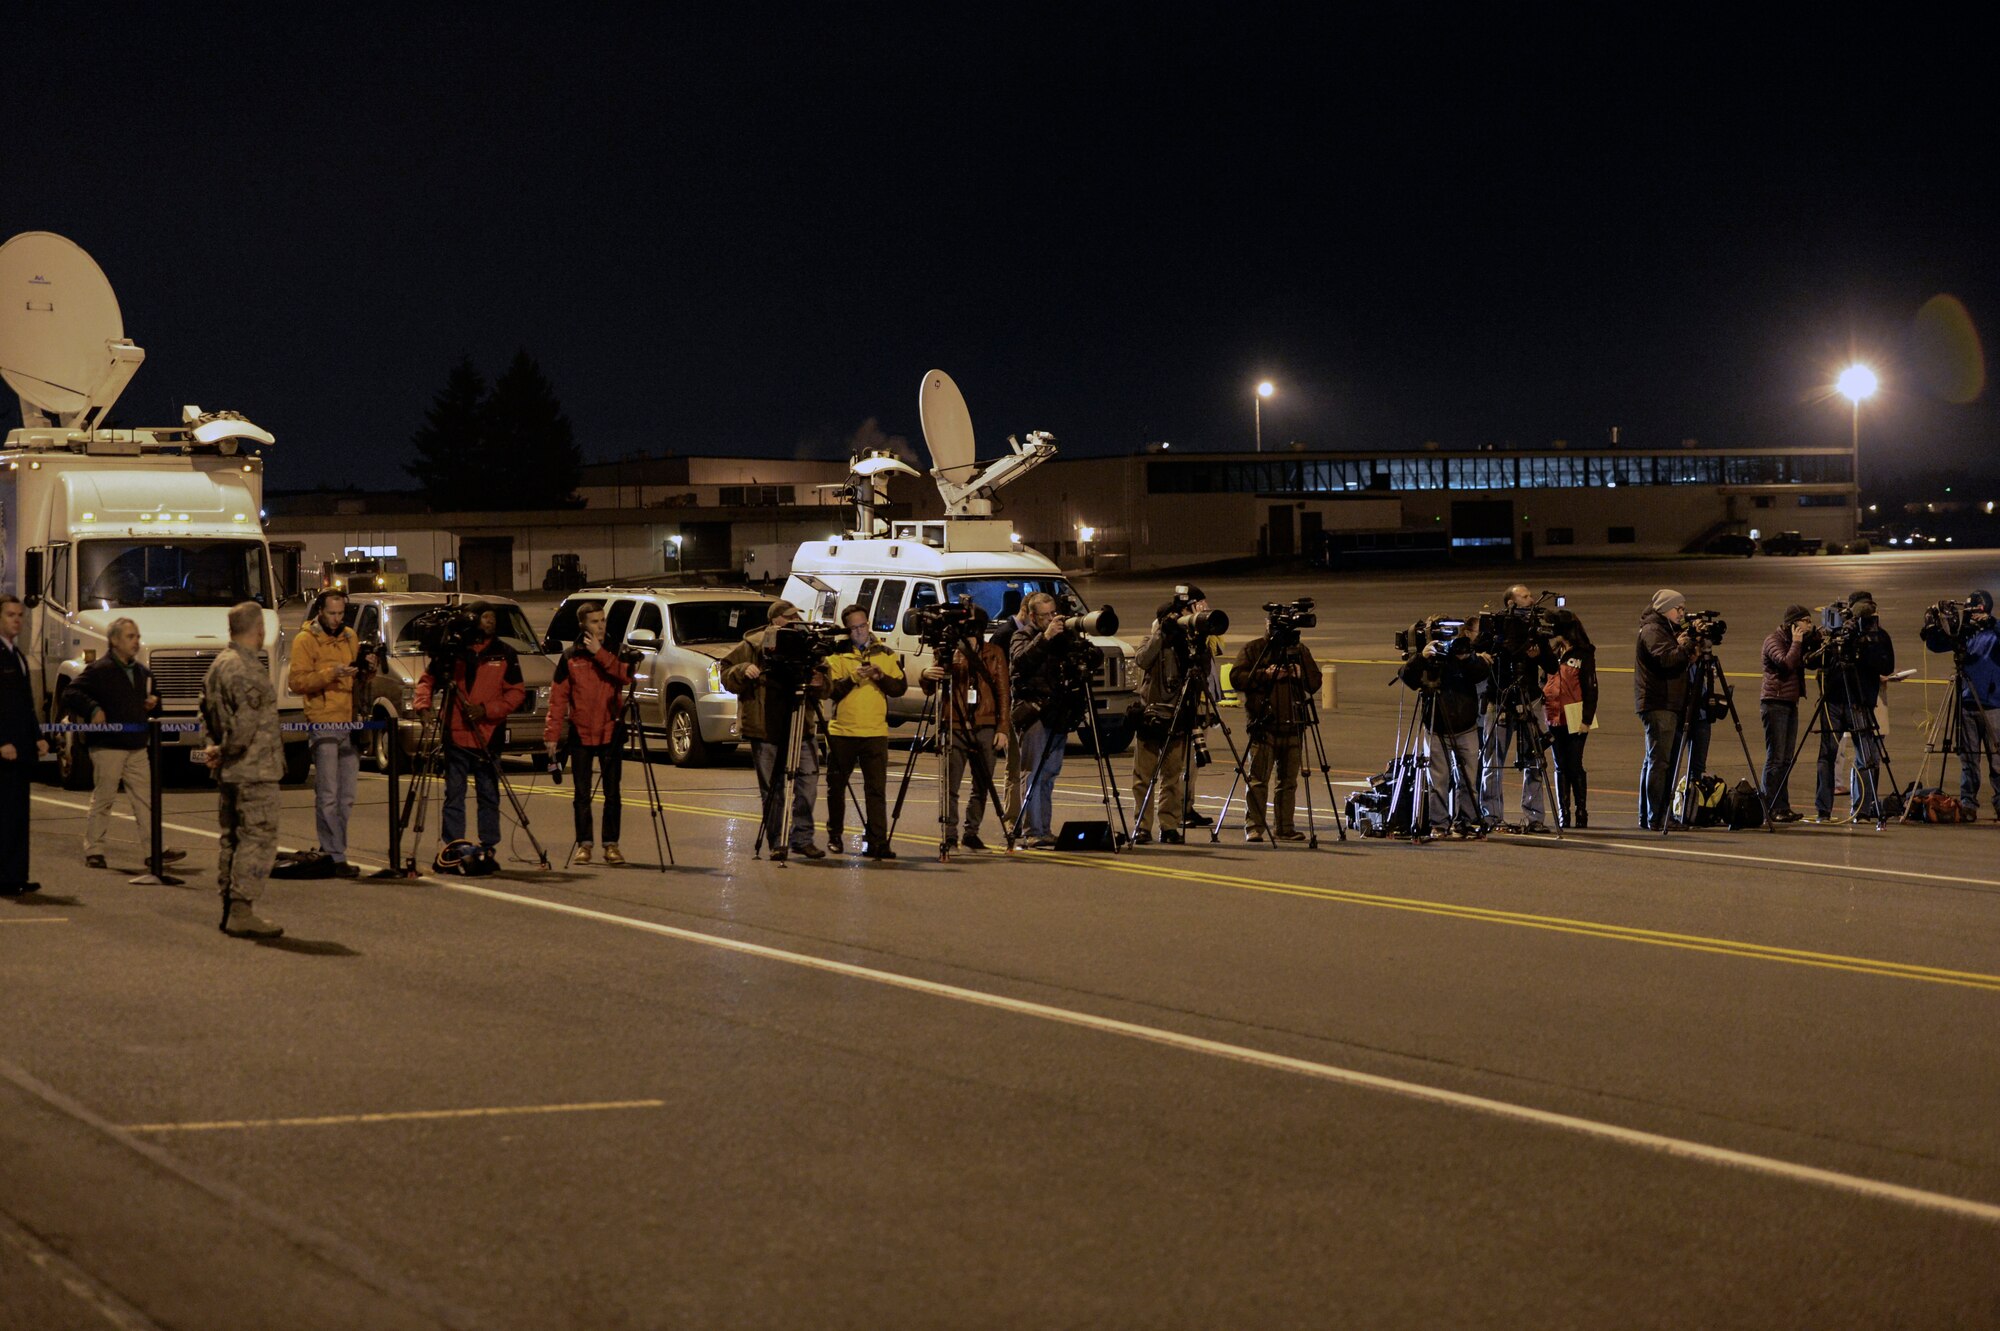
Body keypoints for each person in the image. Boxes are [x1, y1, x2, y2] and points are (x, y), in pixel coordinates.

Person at [413, 602, 525, 865]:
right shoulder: (454, 653)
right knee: (454, 794)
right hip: (455, 734)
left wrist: (486, 710)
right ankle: (454, 844)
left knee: (489, 793)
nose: (491, 621)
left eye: (493, 617)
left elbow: (516, 693)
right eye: (486, 616)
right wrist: (423, 707)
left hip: (488, 733)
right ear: (473, 620)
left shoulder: (505, 653)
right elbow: (427, 681)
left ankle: (489, 845)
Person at [69, 616, 185, 869]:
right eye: (130, 637)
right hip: (108, 745)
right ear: (114, 641)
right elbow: (72, 692)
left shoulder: (143, 673)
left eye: (137, 637)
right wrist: (94, 709)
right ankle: (95, 851)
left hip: (136, 745)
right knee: (104, 799)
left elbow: (157, 705)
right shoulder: (100, 670)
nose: (136, 642)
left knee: (146, 800)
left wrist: (154, 704)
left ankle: (154, 850)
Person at [197, 602, 284, 937]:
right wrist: (226, 749)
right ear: (258, 629)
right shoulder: (246, 668)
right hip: (254, 770)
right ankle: (242, 909)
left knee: (232, 839)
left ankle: (229, 904)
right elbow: (246, 726)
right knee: (258, 838)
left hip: (232, 771)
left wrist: (212, 746)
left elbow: (203, 709)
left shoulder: (218, 665)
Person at [721, 599, 828, 861]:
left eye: (796, 617)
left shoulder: (806, 644)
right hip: (767, 727)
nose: (794, 621)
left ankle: (802, 838)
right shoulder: (754, 644)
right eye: (789, 617)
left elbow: (826, 684)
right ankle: (777, 842)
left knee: (808, 785)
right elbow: (725, 673)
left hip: (800, 725)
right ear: (774, 620)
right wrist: (743, 669)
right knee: (774, 790)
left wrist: (820, 680)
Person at [544, 600, 635, 864]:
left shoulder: (616, 650)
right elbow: (558, 698)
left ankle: (611, 844)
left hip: (611, 731)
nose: (601, 625)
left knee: (612, 793)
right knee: (581, 794)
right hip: (581, 733)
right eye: (595, 621)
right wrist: (551, 735)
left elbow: (626, 676)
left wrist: (600, 654)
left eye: (603, 620)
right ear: (583, 624)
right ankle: (584, 843)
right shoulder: (570, 657)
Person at [286, 590, 363, 875]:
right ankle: (334, 853)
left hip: (349, 721)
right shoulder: (305, 640)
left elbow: (356, 677)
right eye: (332, 613)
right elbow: (297, 681)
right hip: (323, 721)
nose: (337, 619)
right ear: (320, 611)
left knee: (347, 795)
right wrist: (332, 673)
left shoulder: (349, 636)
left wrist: (363, 670)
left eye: (341, 613)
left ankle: (337, 850)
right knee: (328, 792)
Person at [823, 603, 907, 859]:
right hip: (843, 732)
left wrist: (880, 676)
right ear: (847, 630)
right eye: (854, 628)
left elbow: (898, 689)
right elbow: (832, 691)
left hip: (875, 732)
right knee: (836, 786)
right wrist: (855, 678)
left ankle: (877, 840)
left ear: (868, 624)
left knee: (876, 789)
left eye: (863, 625)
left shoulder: (884, 652)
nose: (860, 631)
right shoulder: (837, 655)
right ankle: (835, 834)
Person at [921, 622, 1010, 851]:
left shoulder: (994, 652)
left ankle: (972, 832)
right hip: (955, 724)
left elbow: (1003, 691)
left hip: (986, 724)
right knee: (951, 784)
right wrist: (926, 675)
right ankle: (950, 835)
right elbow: (930, 688)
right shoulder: (947, 652)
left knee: (982, 784)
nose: (967, 638)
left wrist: (1002, 728)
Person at [1399, 621, 1491, 837]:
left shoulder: (1466, 655)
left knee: (1468, 780)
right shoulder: (1429, 658)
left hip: (1465, 725)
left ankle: (1465, 823)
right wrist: (1422, 657)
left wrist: (1466, 658)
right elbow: (1407, 677)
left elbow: (1481, 673)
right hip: (1436, 726)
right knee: (1438, 780)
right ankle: (1439, 824)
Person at [1231, 628, 1323, 842]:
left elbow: (1315, 682)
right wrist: (1266, 674)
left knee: (1288, 781)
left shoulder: (1299, 651)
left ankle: (1284, 827)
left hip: (1293, 724)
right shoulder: (1254, 649)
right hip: (1264, 725)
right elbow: (1237, 679)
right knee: (1258, 780)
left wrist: (1300, 673)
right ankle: (1254, 826)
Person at [1810, 594, 1895, 822]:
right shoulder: (1836, 635)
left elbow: (1887, 665)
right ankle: (1823, 810)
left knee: (1866, 757)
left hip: (1859, 701)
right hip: (1834, 701)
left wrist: (1864, 646)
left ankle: (1863, 810)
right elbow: (1812, 661)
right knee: (1828, 755)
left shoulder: (1877, 637)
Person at [1479, 583, 1552, 833]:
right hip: (1498, 699)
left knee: (1534, 759)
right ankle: (1491, 815)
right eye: (1525, 596)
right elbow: (1482, 651)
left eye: (1531, 595)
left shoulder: (1535, 629)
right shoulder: (1495, 628)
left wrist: (1539, 653)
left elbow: (1552, 666)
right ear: (1510, 603)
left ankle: (1535, 818)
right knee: (1492, 760)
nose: (1531, 600)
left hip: (1528, 697)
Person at [1921, 589, 2000, 819]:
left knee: (1997, 760)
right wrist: (1932, 623)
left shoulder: (1994, 632)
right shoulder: (1966, 633)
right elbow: (1936, 645)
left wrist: (1991, 622)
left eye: (1975, 610)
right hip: (1967, 703)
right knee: (1969, 759)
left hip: (1994, 705)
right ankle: (1968, 804)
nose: (1972, 615)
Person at [1635, 589, 1708, 831]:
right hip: (1659, 703)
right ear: (1665, 608)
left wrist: (1689, 644)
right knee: (1661, 762)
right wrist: (1687, 645)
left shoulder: (1665, 630)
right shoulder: (1653, 631)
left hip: (1668, 702)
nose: (1682, 613)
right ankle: (1658, 817)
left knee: (1656, 761)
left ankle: (1651, 816)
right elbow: (1666, 659)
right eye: (1679, 609)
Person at [1010, 592, 1075, 849]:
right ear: (1033, 616)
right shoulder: (1022, 636)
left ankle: (1044, 829)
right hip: (1033, 711)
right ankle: (1031, 830)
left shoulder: (1061, 638)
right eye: (1046, 615)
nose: (1051, 619)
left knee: (1049, 773)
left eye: (1053, 614)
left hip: (1057, 711)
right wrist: (1045, 638)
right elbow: (1019, 663)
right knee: (1032, 772)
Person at [1, 593, 50, 896]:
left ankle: (17, 874)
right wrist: (1, 741)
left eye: (20, 615)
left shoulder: (16, 654)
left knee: (18, 815)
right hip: (5, 750)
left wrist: (38, 736)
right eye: (10, 615)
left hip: (21, 748)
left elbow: (26, 705)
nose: (17, 620)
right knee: (5, 816)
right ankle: (4, 876)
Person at [1541, 610, 1598, 828]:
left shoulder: (1584, 654)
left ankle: (1581, 811)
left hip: (1575, 713)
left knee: (1574, 764)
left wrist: (1586, 719)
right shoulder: (1553, 652)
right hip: (1553, 713)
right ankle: (1564, 813)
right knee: (1560, 765)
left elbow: (1591, 688)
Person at [1758, 604, 1812, 823]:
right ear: (1793, 624)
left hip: (1790, 703)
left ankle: (1782, 805)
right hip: (1774, 704)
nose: (1809, 625)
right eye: (1806, 621)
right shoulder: (1774, 640)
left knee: (1787, 759)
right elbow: (1786, 663)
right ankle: (1769, 806)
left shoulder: (1793, 642)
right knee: (1776, 757)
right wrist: (1798, 643)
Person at [989, 592, 1031, 829]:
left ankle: (1026, 816)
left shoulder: (1028, 634)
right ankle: (1012, 816)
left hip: (1027, 706)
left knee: (1027, 766)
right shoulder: (1004, 635)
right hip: (1013, 707)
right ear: (1026, 611)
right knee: (1014, 766)